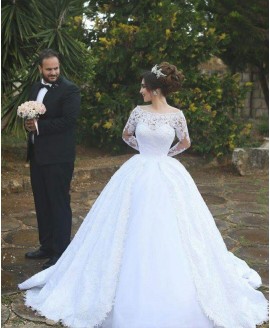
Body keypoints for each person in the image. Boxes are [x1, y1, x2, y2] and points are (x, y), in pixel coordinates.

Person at [19, 62, 268, 327]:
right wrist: (146, 151)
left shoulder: (177, 115)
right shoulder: (138, 112)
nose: (140, 91)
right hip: (138, 170)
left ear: (155, 90)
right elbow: (127, 135)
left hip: (165, 172)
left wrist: (164, 156)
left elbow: (185, 142)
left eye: (143, 87)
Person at [24, 48, 81, 270]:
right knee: (41, 202)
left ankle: (61, 251)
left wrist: (39, 126)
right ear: (41, 69)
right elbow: (30, 117)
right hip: (37, 155)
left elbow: (69, 121)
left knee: (58, 203)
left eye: (56, 68)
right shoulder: (35, 87)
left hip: (59, 157)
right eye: (49, 69)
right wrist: (28, 124)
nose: (53, 72)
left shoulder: (70, 90)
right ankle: (46, 246)